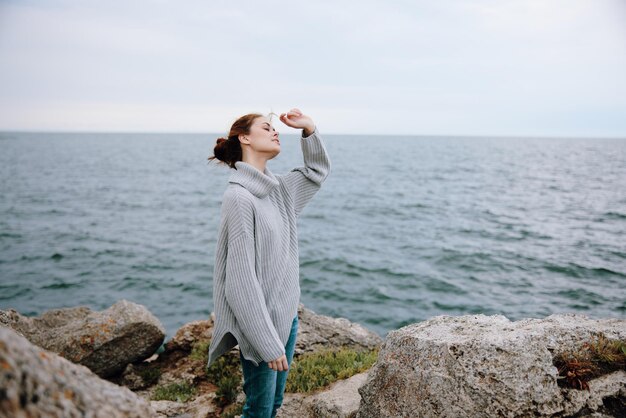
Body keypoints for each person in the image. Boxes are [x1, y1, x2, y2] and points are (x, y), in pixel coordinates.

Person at [206, 108, 331, 417]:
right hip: (260, 325)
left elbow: (316, 171)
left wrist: (309, 129)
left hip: (286, 319)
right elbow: (239, 281)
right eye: (267, 127)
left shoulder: (280, 190)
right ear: (245, 138)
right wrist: (265, 341)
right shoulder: (239, 198)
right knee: (259, 410)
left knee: (272, 406)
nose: (275, 132)